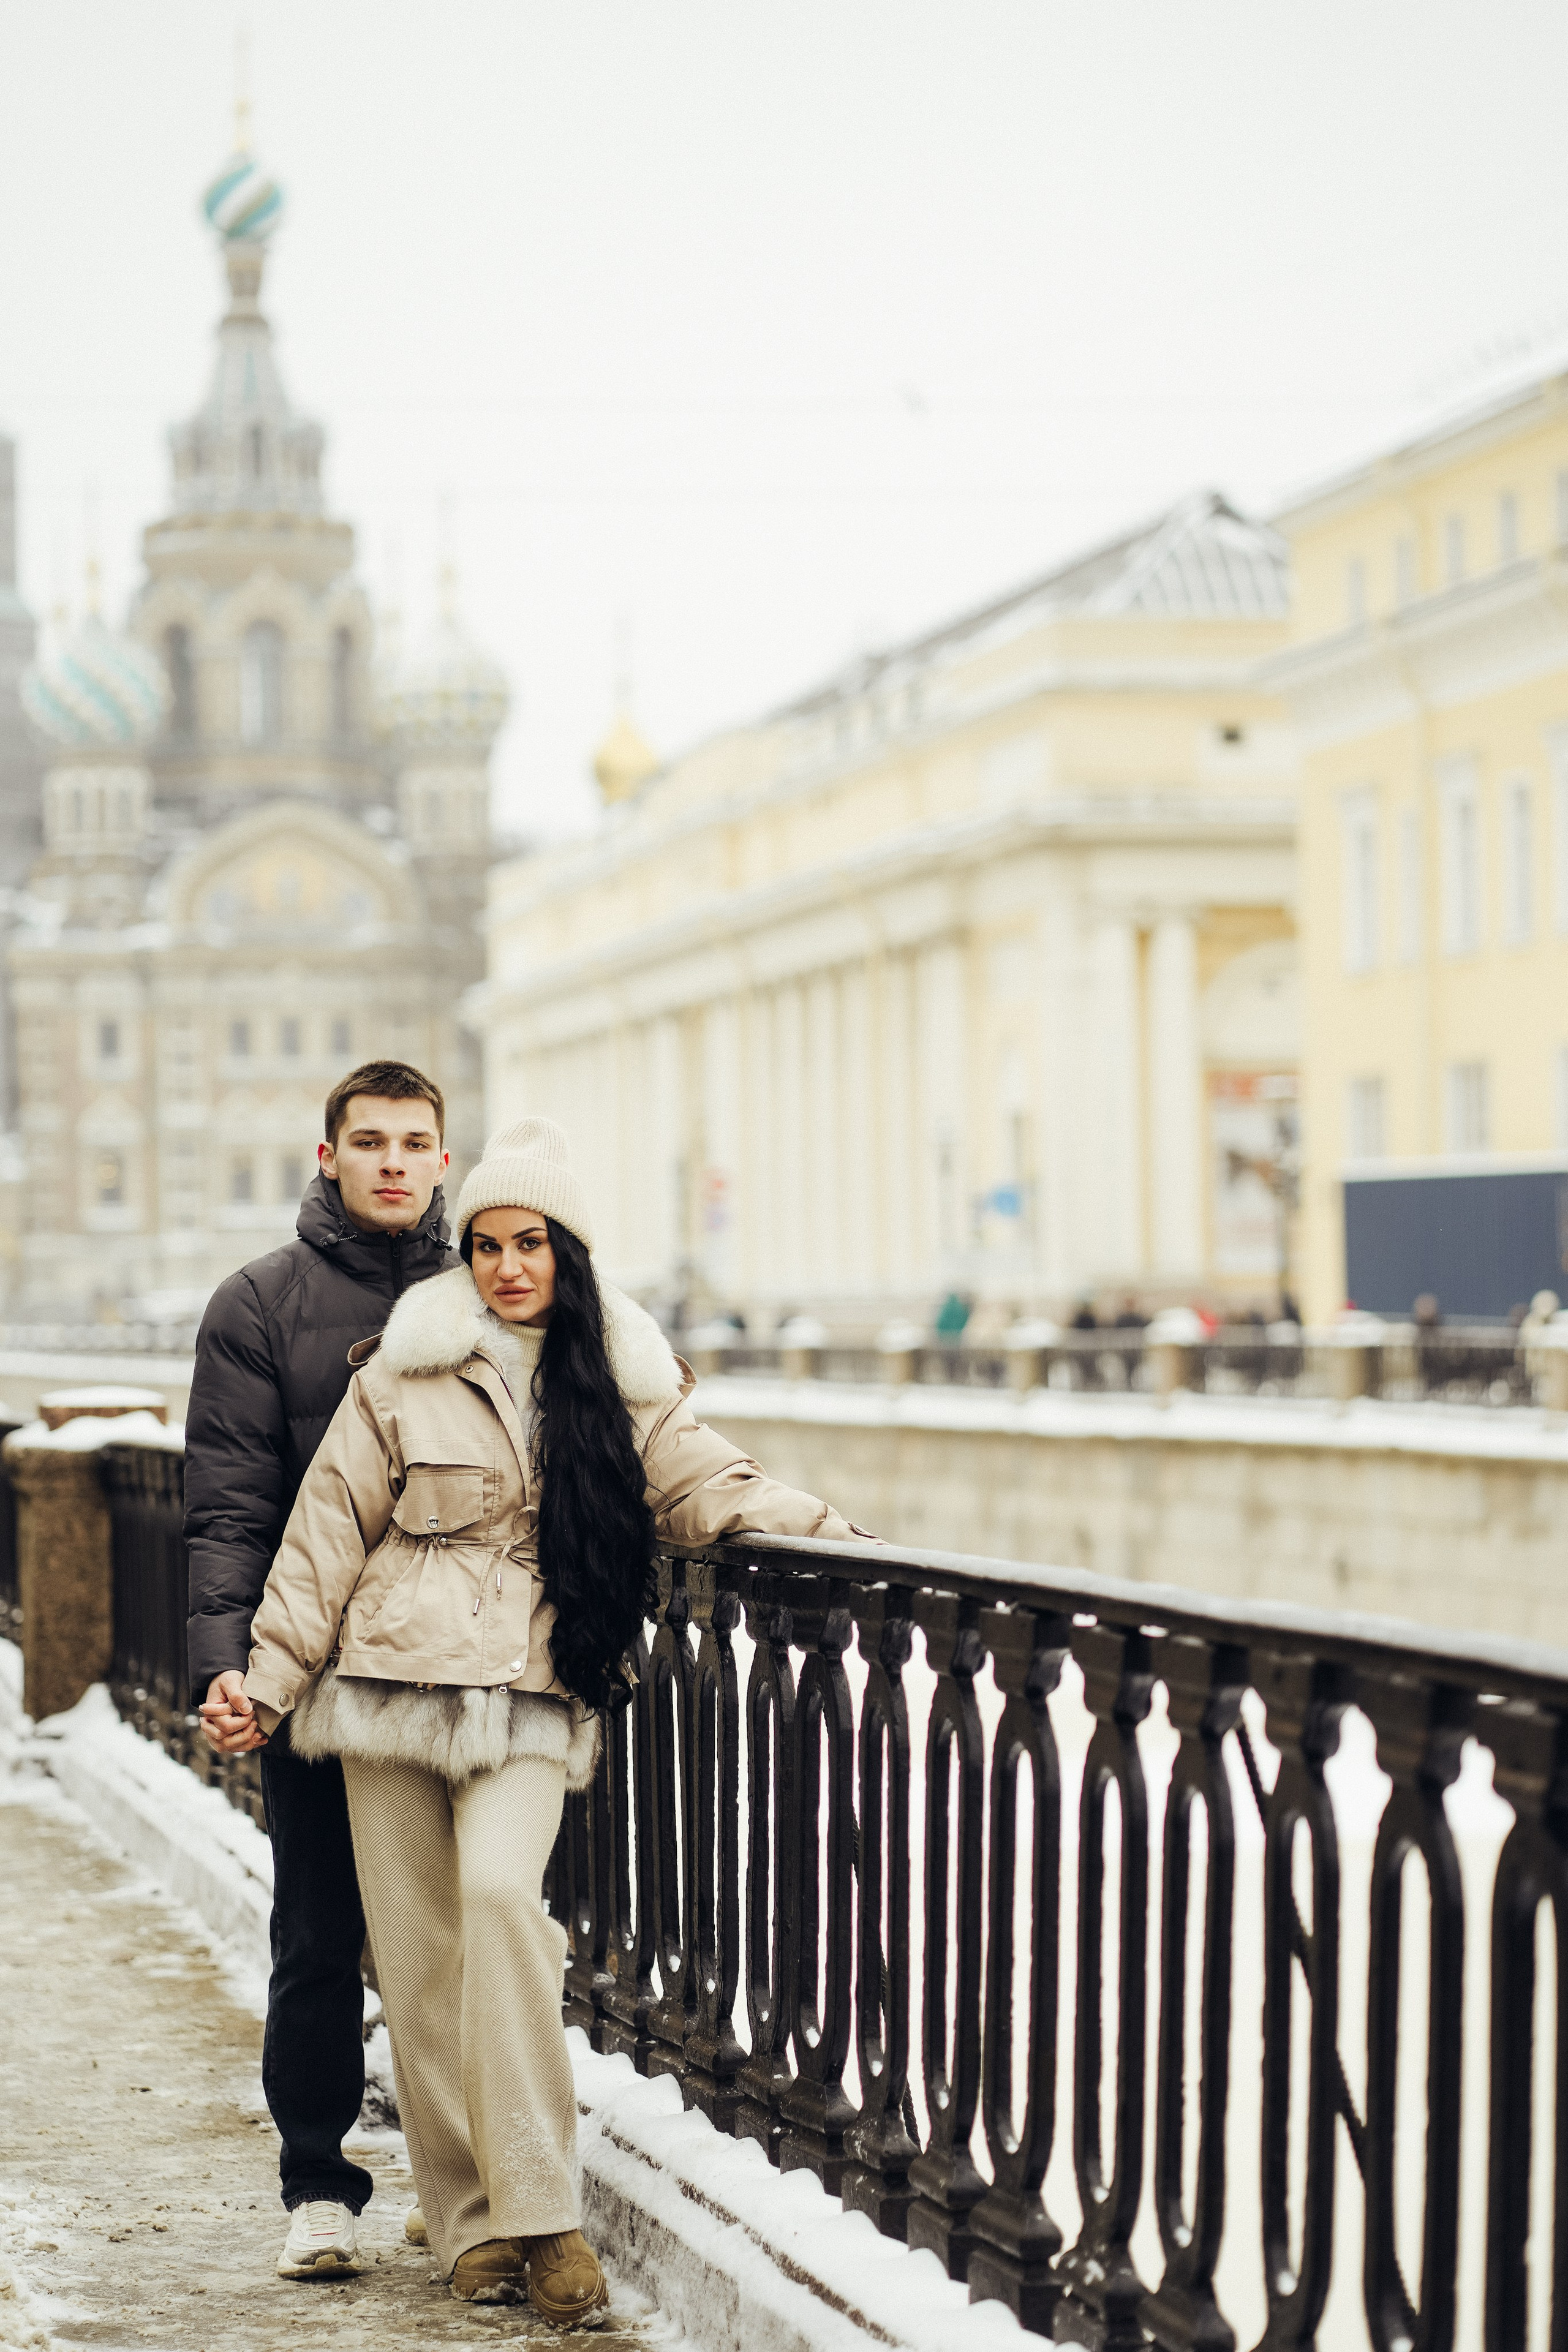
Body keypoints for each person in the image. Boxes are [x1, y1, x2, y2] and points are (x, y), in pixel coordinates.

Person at [230, 1115, 864, 2323]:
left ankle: (542, 2212)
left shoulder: (622, 1381)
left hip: (530, 1685)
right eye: (486, 1244)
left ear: (568, 1252)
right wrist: (263, 1685)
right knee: (413, 1962)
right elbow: (323, 1542)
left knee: (496, 1907)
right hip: (381, 1693)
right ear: (463, 1255)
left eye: (532, 1243)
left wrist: (840, 1539)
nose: (509, 1265)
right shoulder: (400, 1375)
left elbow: (710, 1484)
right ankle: (468, 2228)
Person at [188, 1061, 458, 2281]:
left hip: (470, 1676)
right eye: (370, 1142)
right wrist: (226, 1669)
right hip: (316, 1675)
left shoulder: (494, 1292)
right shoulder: (257, 1305)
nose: (393, 1162)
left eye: (414, 1142)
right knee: (317, 1936)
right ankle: (319, 2183)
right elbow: (228, 1512)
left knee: (465, 1938)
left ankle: (458, 2182)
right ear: (328, 1156)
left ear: (443, 1161)